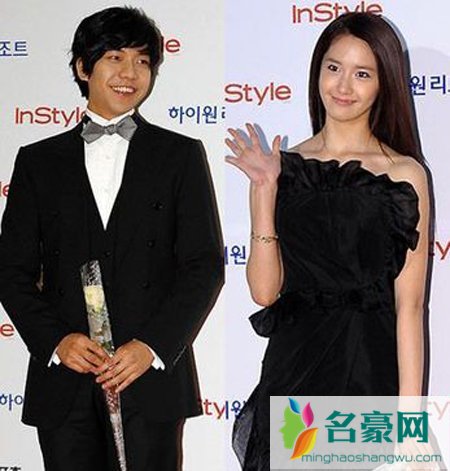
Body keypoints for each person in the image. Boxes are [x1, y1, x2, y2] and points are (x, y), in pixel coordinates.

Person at [0, 6, 223, 471]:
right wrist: (57, 341)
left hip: (149, 379)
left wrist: (152, 346)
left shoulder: (180, 155)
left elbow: (203, 266)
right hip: (65, 383)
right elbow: (11, 270)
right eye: (115, 58)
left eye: (142, 61)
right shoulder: (38, 162)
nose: (130, 74)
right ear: (84, 68)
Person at [225, 12, 429, 470]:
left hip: (367, 368)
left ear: (384, 83)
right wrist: (264, 189)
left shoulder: (403, 174)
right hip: (294, 366)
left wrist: (411, 421)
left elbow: (411, 306)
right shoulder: (281, 168)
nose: (343, 85)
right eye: (333, 67)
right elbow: (264, 292)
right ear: (317, 70)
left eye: (362, 74)